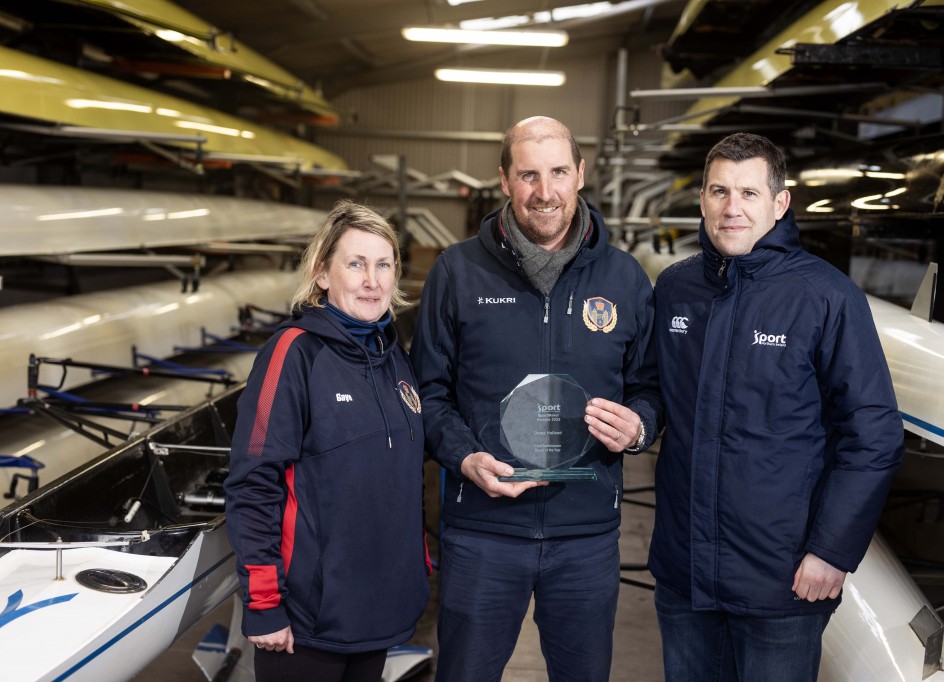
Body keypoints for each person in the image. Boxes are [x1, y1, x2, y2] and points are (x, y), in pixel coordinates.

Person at [410, 115, 662, 682]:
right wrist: (463, 457)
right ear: (504, 180)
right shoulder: (457, 273)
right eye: (527, 175)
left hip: (586, 536)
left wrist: (640, 428)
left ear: (579, 174)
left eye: (556, 173)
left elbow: (650, 388)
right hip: (482, 534)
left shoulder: (624, 279)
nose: (543, 193)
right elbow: (425, 393)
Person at [649, 132, 905, 681]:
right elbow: (652, 390)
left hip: (782, 579)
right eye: (719, 191)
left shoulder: (826, 297)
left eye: (748, 192)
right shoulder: (675, 289)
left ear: (779, 203)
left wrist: (832, 551)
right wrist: (638, 421)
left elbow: (874, 434)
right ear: (702, 199)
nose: (732, 207)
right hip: (685, 573)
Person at [225, 201, 430, 682]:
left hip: (376, 614)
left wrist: (413, 567)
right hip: (306, 621)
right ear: (322, 274)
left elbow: (403, 478)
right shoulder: (293, 353)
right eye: (355, 264)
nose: (372, 281)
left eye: (384, 266)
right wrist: (264, 603)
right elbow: (254, 484)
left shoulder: (394, 359)